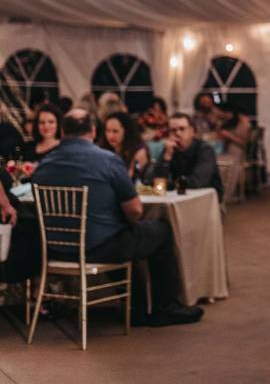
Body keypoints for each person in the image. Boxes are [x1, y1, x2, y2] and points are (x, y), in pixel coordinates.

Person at [32, 109, 203, 326]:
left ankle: (136, 307)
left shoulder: (45, 165)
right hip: (100, 247)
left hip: (56, 249)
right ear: (94, 131)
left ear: (63, 132)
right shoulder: (107, 160)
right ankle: (166, 308)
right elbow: (135, 210)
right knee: (160, 232)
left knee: (123, 236)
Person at [149, 113, 223, 200]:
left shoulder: (205, 149)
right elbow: (156, 182)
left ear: (192, 131)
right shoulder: (170, 149)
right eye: (173, 130)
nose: (178, 133)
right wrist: (166, 157)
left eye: (182, 129)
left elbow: (196, 183)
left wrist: (169, 184)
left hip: (207, 200)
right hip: (180, 197)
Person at [216, 102, 251, 202]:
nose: (223, 117)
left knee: (220, 162)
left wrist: (228, 135)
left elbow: (244, 143)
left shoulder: (244, 122)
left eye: (224, 114)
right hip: (229, 152)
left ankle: (227, 194)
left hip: (238, 153)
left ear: (230, 112)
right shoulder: (232, 121)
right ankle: (220, 192)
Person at [101, 111, 149, 180]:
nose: (110, 136)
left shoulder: (138, 151)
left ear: (126, 131)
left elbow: (130, 180)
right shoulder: (103, 150)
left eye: (115, 131)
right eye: (108, 131)